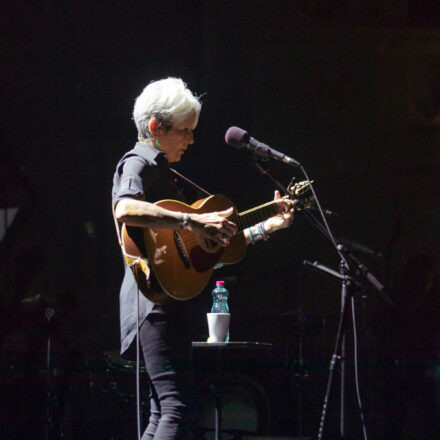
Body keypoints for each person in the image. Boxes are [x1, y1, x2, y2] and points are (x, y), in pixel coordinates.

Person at [111, 77, 295, 439]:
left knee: (163, 409)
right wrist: (191, 219)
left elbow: (207, 253)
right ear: (155, 127)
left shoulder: (167, 176)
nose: (191, 140)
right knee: (177, 407)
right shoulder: (136, 164)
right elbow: (124, 209)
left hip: (167, 302)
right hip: (152, 305)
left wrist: (270, 225)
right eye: (185, 131)